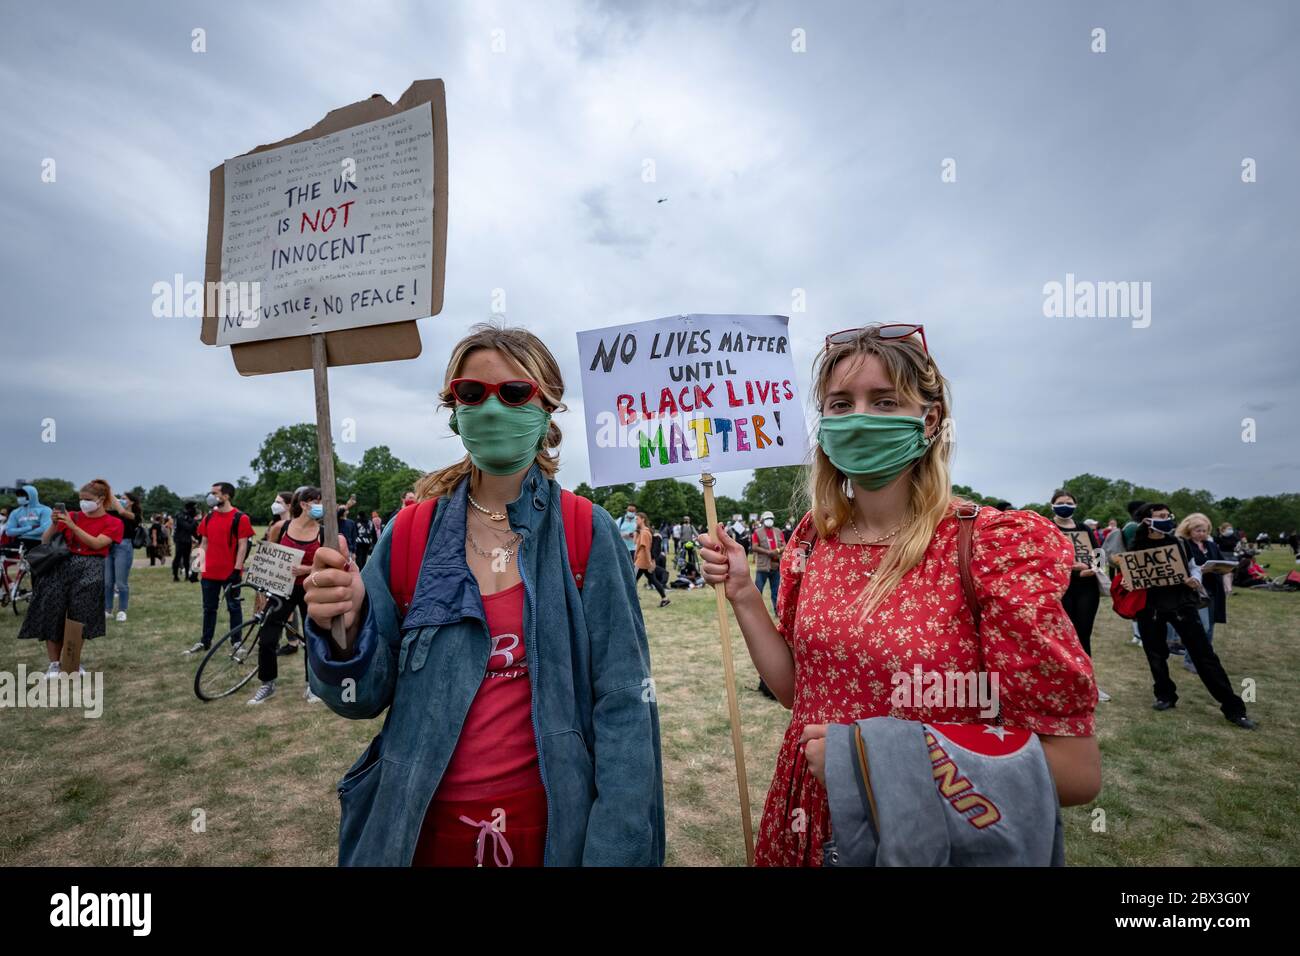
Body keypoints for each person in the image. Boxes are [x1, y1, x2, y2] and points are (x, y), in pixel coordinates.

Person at [699, 324, 1099, 866]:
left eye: (884, 401)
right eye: (840, 404)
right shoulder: (813, 540)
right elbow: (801, 695)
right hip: (805, 818)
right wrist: (745, 595)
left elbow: (1075, 772)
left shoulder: (987, 548)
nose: (859, 417)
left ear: (929, 420)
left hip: (926, 835)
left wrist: (867, 761)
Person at [302, 323, 664, 867]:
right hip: (419, 834)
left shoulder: (586, 531)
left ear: (548, 408)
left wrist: (619, 848)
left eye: (514, 392)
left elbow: (624, 706)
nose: (491, 407)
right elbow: (360, 697)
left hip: (551, 838)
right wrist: (347, 627)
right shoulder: (410, 534)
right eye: (472, 393)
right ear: (454, 409)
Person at [1128, 503, 1255, 728]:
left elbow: (1193, 566)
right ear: (1147, 521)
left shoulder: (1179, 543)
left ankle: (1233, 707)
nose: (1168, 519)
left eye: (1169, 515)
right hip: (1151, 608)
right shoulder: (1135, 546)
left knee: (1204, 655)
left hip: (1181, 605)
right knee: (1156, 655)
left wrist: (1194, 577)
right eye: (1161, 516)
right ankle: (1165, 695)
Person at [248, 486, 348, 705]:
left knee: (313, 637)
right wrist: (261, 591)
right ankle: (267, 682)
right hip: (282, 588)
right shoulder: (280, 528)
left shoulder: (323, 533)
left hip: (311, 588)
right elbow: (266, 557)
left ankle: (312, 684)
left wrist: (306, 569)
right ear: (304, 504)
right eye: (317, 502)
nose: (321, 507)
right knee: (267, 637)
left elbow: (332, 565)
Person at [18, 479, 123, 675]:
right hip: (59, 567)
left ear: (100, 500)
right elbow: (46, 540)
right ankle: (54, 664)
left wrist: (73, 527)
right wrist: (54, 523)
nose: (83, 503)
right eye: (80, 499)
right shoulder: (72, 516)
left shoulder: (113, 522)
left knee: (80, 616)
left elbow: (97, 544)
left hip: (90, 568)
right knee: (53, 613)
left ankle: (72, 662)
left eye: (87, 499)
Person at [1049, 490, 1110, 702]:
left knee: (1083, 635)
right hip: (1060, 588)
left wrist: (1092, 569)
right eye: (1060, 502)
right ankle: (1061, 683)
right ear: (1052, 505)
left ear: (1075, 505)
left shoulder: (1084, 528)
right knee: (1061, 637)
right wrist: (1067, 567)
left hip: (1086, 588)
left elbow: (1100, 555)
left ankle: (1088, 684)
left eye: (1069, 502)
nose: (1065, 505)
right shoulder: (1048, 527)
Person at [184, 483, 254, 655]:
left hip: (230, 573)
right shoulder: (208, 517)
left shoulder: (240, 518)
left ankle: (237, 642)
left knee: (234, 607)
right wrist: (195, 567)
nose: (211, 495)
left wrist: (237, 570)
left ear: (226, 496)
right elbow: (204, 543)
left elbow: (242, 546)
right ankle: (205, 641)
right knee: (208, 608)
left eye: (215, 493)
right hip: (210, 574)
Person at [1175, 513, 1228, 675]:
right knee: (1201, 627)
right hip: (1195, 591)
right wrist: (1199, 570)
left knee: (1210, 628)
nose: (1201, 533)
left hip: (1213, 590)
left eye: (1204, 530)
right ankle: (1190, 660)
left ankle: (1205, 660)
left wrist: (1224, 570)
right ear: (1189, 530)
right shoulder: (1184, 545)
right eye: (1198, 530)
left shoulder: (1211, 545)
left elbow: (1221, 561)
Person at [103, 491, 140, 622]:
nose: (120, 500)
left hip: (123, 546)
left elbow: (123, 513)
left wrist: (110, 493)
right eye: (120, 499)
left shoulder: (134, 515)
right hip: (108, 545)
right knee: (107, 582)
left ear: (132, 502)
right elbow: (104, 509)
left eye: (124, 499)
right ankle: (107, 609)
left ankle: (122, 610)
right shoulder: (113, 512)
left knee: (121, 582)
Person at [750, 510, 784, 615]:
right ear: (763, 520)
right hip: (763, 567)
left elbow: (784, 545)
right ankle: (755, 612)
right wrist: (768, 552)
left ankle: (777, 611)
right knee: (758, 590)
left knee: (776, 592)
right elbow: (754, 547)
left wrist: (777, 551)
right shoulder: (757, 532)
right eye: (767, 519)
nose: (769, 521)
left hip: (775, 566)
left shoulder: (778, 531)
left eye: (771, 519)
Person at [633, 512, 670, 607]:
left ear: (642, 519)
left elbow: (646, 549)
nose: (636, 521)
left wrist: (650, 562)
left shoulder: (645, 532)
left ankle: (631, 601)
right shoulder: (643, 531)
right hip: (645, 561)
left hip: (641, 561)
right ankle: (665, 598)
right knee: (653, 580)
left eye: (637, 519)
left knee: (631, 580)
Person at [4, 484, 52, 552]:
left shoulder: (45, 510)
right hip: (21, 542)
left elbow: (44, 529)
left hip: (39, 542)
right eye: (19, 496)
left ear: (32, 495)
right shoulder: (15, 512)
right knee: (4, 550)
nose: (20, 497)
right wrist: (30, 527)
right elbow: (9, 531)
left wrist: (22, 533)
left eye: (23, 495)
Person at [172, 501, 199, 583]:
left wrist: (199, 538)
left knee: (187, 559)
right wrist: (194, 522)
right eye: (194, 508)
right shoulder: (180, 516)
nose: (195, 510)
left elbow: (194, 531)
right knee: (178, 557)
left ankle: (187, 575)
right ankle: (175, 576)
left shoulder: (189, 517)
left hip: (187, 540)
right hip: (180, 540)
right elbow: (188, 527)